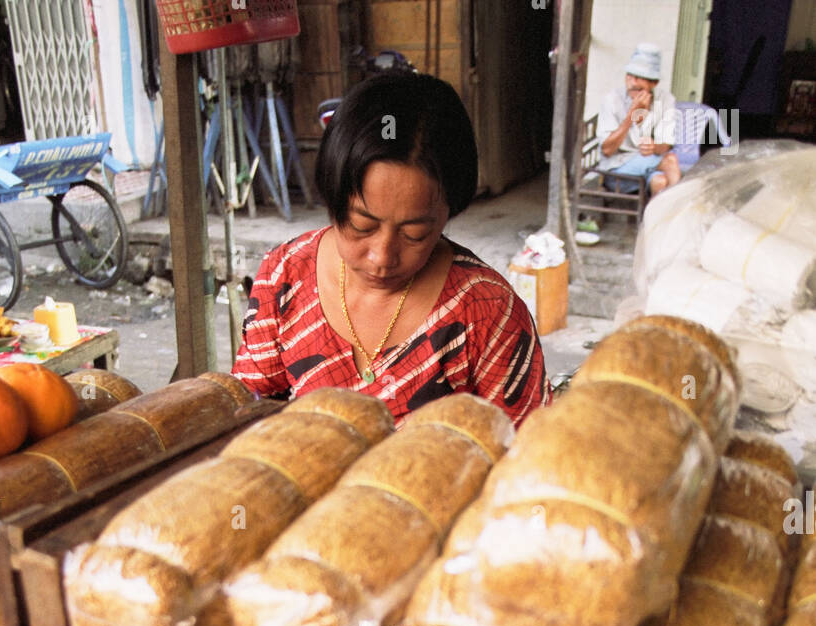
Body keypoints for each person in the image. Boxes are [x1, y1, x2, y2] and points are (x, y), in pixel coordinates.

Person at [232, 71, 551, 425]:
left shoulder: (487, 311)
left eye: (414, 234)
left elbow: (529, 449)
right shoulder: (285, 274)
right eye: (362, 226)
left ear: (449, 211)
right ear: (333, 197)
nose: (382, 257)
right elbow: (249, 407)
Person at [597, 44, 681, 198]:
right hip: (617, 171)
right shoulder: (611, 100)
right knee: (670, 161)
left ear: (653, 83)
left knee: (660, 181)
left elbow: (665, 146)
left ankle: (653, 222)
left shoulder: (665, 100)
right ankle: (679, 215)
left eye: (639, 77)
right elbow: (607, 150)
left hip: (646, 167)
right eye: (629, 75)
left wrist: (654, 147)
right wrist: (631, 115)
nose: (632, 82)